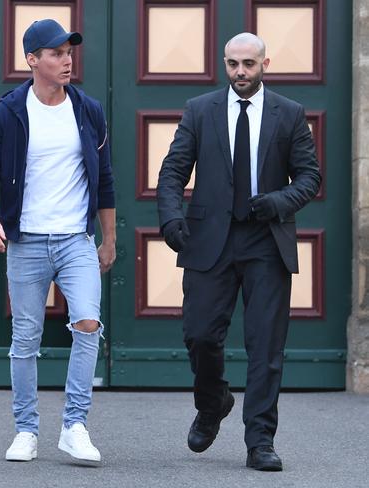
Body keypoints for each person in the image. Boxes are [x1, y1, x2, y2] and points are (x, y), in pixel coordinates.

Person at [157, 33, 321, 471]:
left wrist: (279, 201)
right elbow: (173, 170)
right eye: (233, 64)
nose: (240, 73)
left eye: (249, 64)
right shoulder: (200, 110)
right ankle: (213, 402)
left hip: (266, 240)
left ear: (265, 63)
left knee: (266, 345)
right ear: (224, 63)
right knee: (200, 334)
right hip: (209, 238)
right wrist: (171, 218)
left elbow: (309, 176)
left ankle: (260, 441)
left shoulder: (289, 114)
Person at [0, 19, 115, 464]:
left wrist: (108, 239)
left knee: (88, 323)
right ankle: (26, 429)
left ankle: (75, 425)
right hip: (27, 240)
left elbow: (105, 180)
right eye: (55, 53)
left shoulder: (88, 110)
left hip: (76, 240)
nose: (67, 59)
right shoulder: (10, 111)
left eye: (69, 51)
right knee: (26, 338)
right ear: (32, 59)